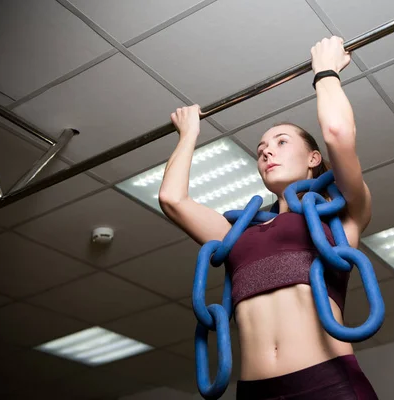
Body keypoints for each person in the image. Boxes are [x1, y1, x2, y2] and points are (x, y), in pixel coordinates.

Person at [159, 36, 378, 400]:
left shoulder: (344, 214)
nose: (266, 153)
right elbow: (172, 199)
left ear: (312, 158)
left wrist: (325, 72)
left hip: (328, 384)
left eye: (280, 142)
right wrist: (189, 134)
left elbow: (338, 134)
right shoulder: (238, 235)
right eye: (260, 151)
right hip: (255, 391)